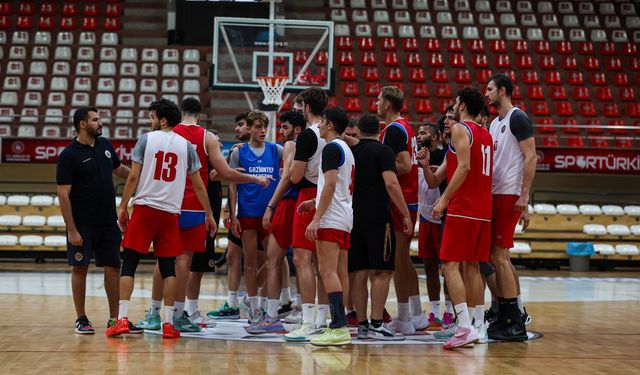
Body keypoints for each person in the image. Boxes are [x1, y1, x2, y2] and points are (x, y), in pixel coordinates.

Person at [137, 100, 271, 332]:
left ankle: (154, 313)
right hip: (195, 207)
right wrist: (255, 179)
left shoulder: (165, 134)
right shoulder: (207, 137)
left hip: (167, 204)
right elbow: (227, 172)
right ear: (200, 116)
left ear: (180, 113)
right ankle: (178, 314)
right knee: (184, 262)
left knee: (163, 261)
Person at [106, 99, 216, 339]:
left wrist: (123, 206)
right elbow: (198, 185)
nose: (150, 120)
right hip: (170, 213)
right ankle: (168, 324)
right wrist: (209, 213)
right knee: (169, 269)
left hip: (145, 209)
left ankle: (122, 319)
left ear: (162, 119)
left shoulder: (146, 139)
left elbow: (133, 177)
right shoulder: (187, 146)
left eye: (152, 116)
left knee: (130, 264)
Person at [419, 87, 493, 349]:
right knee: (471, 268)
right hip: (484, 209)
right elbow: (436, 179)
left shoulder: (463, 130)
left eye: (454, 105)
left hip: (464, 207)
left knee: (449, 265)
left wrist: (445, 199)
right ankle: (476, 324)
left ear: (462, 107)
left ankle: (463, 327)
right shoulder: (485, 133)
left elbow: (464, 167)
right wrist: (426, 165)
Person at [56, 107, 131, 334]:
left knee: (113, 268)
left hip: (108, 222)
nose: (100, 123)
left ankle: (114, 319)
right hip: (82, 225)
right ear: (82, 124)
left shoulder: (105, 145)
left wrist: (144, 175)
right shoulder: (69, 155)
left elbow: (120, 170)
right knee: (80, 268)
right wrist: (72, 230)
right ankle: (81, 318)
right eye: (95, 120)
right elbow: (62, 194)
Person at [349, 114, 412, 341]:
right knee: (383, 270)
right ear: (379, 130)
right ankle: (377, 324)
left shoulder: (351, 152)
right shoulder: (383, 151)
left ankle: (363, 325)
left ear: (359, 129)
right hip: (378, 219)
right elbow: (392, 183)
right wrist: (405, 214)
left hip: (353, 217)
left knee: (358, 272)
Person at [485, 74, 536, 341]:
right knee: (497, 257)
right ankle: (507, 314)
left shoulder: (518, 117)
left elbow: (531, 156)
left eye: (490, 89)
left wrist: (524, 197)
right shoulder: (495, 123)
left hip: (509, 194)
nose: (487, 94)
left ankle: (515, 322)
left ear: (503, 91)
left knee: (499, 256)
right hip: (496, 193)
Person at [297, 107, 354, 346]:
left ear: (330, 125)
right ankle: (340, 324)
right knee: (340, 273)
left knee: (328, 272)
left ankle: (339, 326)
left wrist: (317, 217)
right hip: (344, 216)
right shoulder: (346, 149)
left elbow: (330, 185)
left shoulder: (331, 148)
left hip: (331, 218)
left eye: (322, 122)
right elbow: (336, 185)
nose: (318, 125)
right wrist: (313, 202)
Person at [248, 110, 305, 333]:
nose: (280, 132)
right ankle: (304, 312)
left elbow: (287, 176)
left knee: (273, 260)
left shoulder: (291, 145)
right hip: (305, 203)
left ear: (296, 129)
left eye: (284, 127)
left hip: (289, 203)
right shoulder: (315, 144)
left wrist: (271, 205)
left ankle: (271, 315)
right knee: (304, 263)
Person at [376, 86, 425, 335]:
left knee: (397, 261)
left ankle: (404, 319)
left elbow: (404, 166)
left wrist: (379, 168)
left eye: (378, 99)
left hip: (401, 199)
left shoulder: (395, 130)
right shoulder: (402, 127)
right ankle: (416, 315)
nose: (376, 103)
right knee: (404, 260)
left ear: (387, 104)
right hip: (409, 199)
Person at [285, 87, 330, 342]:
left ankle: (308, 320)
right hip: (329, 196)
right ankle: (323, 319)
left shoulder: (307, 136)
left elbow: (295, 176)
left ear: (306, 108)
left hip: (308, 196)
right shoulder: (333, 134)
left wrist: (289, 157)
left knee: (302, 260)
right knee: (324, 263)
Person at [228, 110, 282, 324]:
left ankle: (269, 307)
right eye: (258, 127)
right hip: (248, 214)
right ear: (249, 128)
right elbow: (231, 186)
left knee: (273, 261)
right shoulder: (239, 153)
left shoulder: (276, 150)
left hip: (270, 214)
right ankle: (254, 306)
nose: (262, 131)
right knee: (249, 263)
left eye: (264, 127)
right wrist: (233, 215)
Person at [208, 112, 251, 320]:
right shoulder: (236, 152)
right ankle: (234, 304)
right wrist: (229, 210)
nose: (236, 129)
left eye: (241, 124)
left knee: (268, 260)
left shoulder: (271, 150)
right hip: (241, 214)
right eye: (236, 125)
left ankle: (267, 301)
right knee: (234, 257)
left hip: (259, 213)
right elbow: (229, 182)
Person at [416, 123, 450, 330]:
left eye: (424, 132)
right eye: (418, 133)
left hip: (442, 216)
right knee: (429, 267)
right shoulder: (415, 156)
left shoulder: (444, 156)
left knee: (447, 268)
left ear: (436, 136)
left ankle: (449, 313)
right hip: (425, 216)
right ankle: (435, 311)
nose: (420, 136)